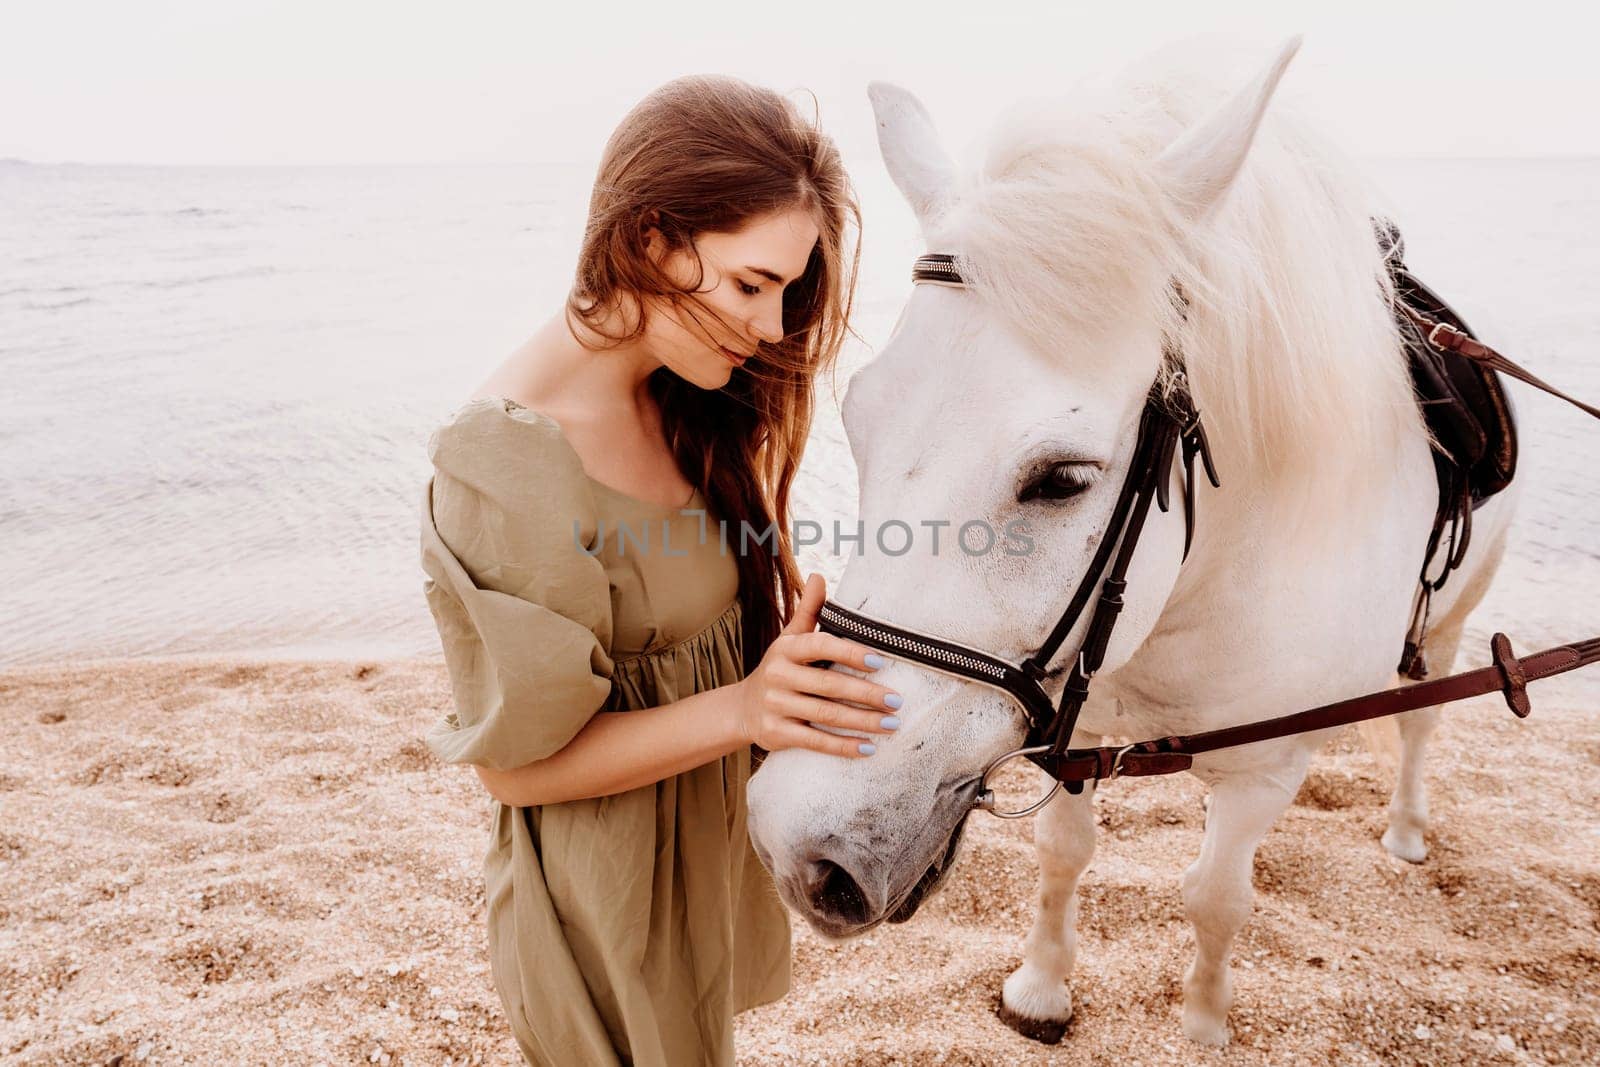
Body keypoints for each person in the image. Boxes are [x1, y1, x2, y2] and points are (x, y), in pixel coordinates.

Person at [418, 75, 904, 1066]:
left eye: (784, 292)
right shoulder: (507, 459)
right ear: (648, 241)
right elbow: (510, 766)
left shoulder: (683, 402)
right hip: (600, 914)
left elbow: (700, 641)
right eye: (749, 283)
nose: (770, 328)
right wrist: (742, 709)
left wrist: (787, 661)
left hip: (689, 880)